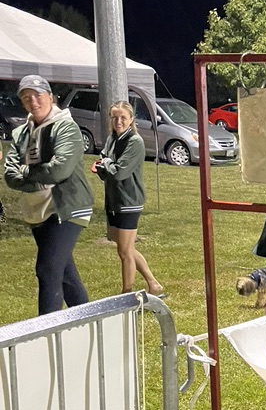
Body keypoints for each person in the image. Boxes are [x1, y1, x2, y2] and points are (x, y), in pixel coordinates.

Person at [3, 75, 92, 314]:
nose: (33, 102)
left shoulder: (66, 127)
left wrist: (26, 172)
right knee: (65, 276)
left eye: (37, 95)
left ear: (50, 97)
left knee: (47, 270)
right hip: (37, 210)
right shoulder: (21, 133)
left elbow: (60, 170)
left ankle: (46, 330)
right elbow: (9, 175)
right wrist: (36, 177)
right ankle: (88, 321)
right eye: (26, 98)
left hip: (67, 206)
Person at [94, 100, 163, 295]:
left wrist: (105, 164)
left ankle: (127, 293)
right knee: (125, 248)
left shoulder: (135, 141)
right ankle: (153, 284)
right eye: (114, 117)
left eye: (123, 117)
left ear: (131, 119)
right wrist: (104, 165)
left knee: (124, 252)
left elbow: (119, 172)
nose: (118, 121)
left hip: (129, 201)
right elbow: (104, 165)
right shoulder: (112, 138)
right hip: (113, 200)